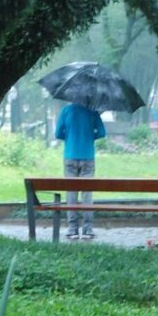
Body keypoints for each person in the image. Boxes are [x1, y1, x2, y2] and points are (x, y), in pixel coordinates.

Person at [55, 102, 106, 239]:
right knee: (87, 193)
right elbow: (102, 132)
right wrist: (90, 136)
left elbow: (58, 133)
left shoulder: (66, 110)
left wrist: (70, 138)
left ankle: (72, 229)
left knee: (71, 192)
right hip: (88, 156)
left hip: (70, 156)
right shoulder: (93, 111)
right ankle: (88, 229)